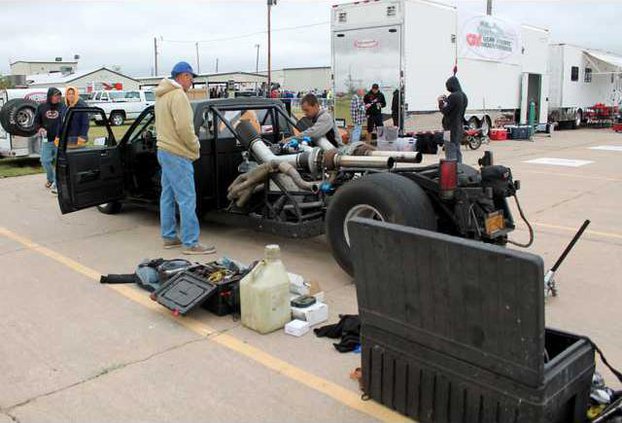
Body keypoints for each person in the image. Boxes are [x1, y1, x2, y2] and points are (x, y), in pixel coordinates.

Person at [154, 61, 215, 255]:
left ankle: (169, 236)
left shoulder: (161, 96)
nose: (192, 81)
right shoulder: (178, 95)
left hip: (164, 150)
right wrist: (195, 145)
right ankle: (190, 243)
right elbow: (184, 128)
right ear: (183, 76)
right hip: (178, 153)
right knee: (187, 198)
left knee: (168, 195)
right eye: (191, 77)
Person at [34, 87, 65, 190]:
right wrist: (40, 128)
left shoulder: (63, 106)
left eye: (59, 95)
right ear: (50, 96)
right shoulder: (41, 107)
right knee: (44, 160)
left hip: (59, 140)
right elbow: (36, 122)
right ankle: (50, 178)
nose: (58, 98)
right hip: (46, 139)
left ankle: (56, 183)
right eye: (56, 95)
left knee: (58, 162)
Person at [438, 76, 468, 163]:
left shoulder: (453, 96)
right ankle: (460, 170)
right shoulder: (463, 96)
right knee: (458, 152)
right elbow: (455, 108)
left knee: (450, 152)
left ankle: (452, 173)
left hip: (449, 129)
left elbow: (445, 110)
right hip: (459, 127)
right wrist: (447, 100)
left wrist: (440, 102)